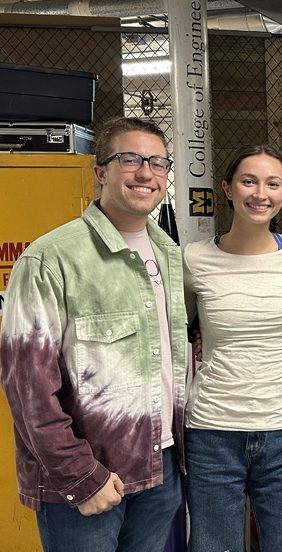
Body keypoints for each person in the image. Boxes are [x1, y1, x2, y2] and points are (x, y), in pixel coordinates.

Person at [0, 117, 186, 552]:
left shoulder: (170, 255)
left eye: (158, 163)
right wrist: (81, 477)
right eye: (130, 159)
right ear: (100, 171)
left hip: (160, 468)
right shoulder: (50, 260)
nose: (146, 173)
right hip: (88, 480)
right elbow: (28, 389)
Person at [182, 145, 282, 551]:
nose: (260, 194)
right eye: (248, 181)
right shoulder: (194, 258)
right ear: (227, 188)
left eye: (273, 184)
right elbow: (177, 327)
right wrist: (197, 334)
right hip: (212, 433)